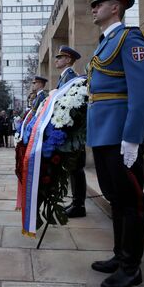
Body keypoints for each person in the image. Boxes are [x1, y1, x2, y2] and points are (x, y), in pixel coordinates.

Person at [86, 0, 144, 287]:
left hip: (120, 135)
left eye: (99, 3)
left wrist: (132, 137)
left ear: (116, 7)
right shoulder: (103, 44)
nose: (93, 8)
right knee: (115, 198)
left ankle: (131, 267)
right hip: (103, 134)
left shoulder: (130, 39)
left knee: (131, 200)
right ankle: (119, 255)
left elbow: (143, 91)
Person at [54, 45, 87, 218]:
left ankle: (79, 205)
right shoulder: (64, 78)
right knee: (73, 169)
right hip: (68, 132)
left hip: (74, 133)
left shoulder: (72, 78)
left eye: (60, 57)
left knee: (77, 168)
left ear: (68, 60)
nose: (56, 60)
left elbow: (76, 105)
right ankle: (76, 202)